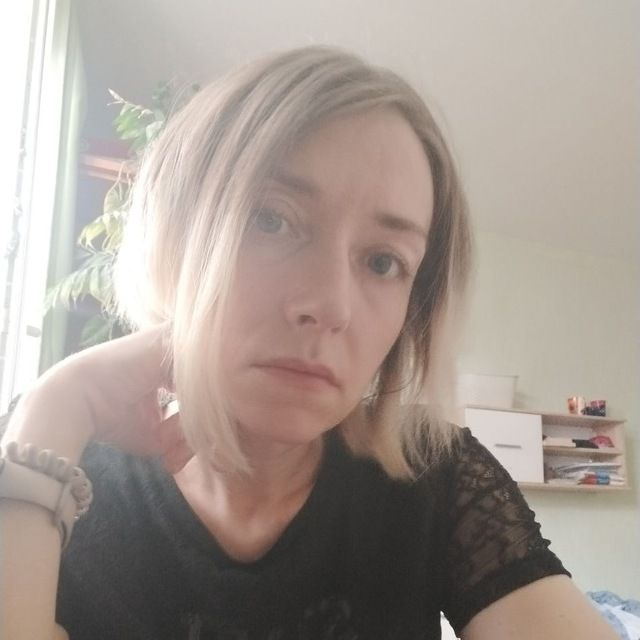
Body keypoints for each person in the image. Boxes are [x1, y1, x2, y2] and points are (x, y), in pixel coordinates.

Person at [0, 46, 617, 640]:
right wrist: (57, 405)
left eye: (383, 261)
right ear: (177, 234)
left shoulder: (439, 477)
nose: (330, 306)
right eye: (271, 219)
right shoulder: (59, 466)